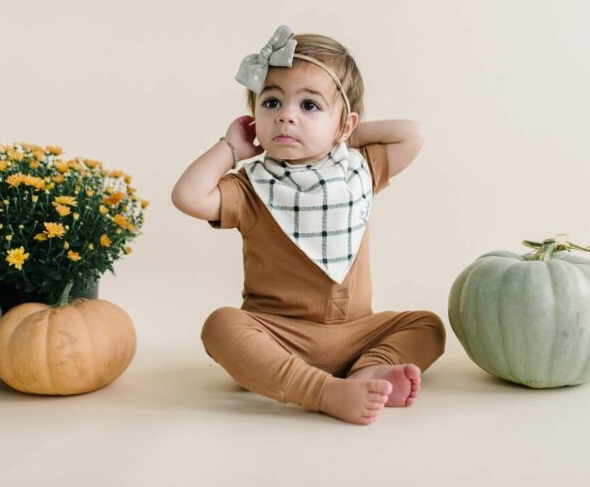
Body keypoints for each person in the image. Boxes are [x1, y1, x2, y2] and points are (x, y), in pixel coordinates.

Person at [172, 25, 445, 425]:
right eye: (271, 103)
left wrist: (339, 138)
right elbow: (188, 196)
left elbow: (412, 135)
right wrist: (230, 148)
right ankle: (321, 390)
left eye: (310, 106)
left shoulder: (359, 171)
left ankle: (369, 371)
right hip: (280, 338)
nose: (286, 115)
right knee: (221, 326)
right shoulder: (251, 187)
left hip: (356, 333)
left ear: (345, 126)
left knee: (428, 325)